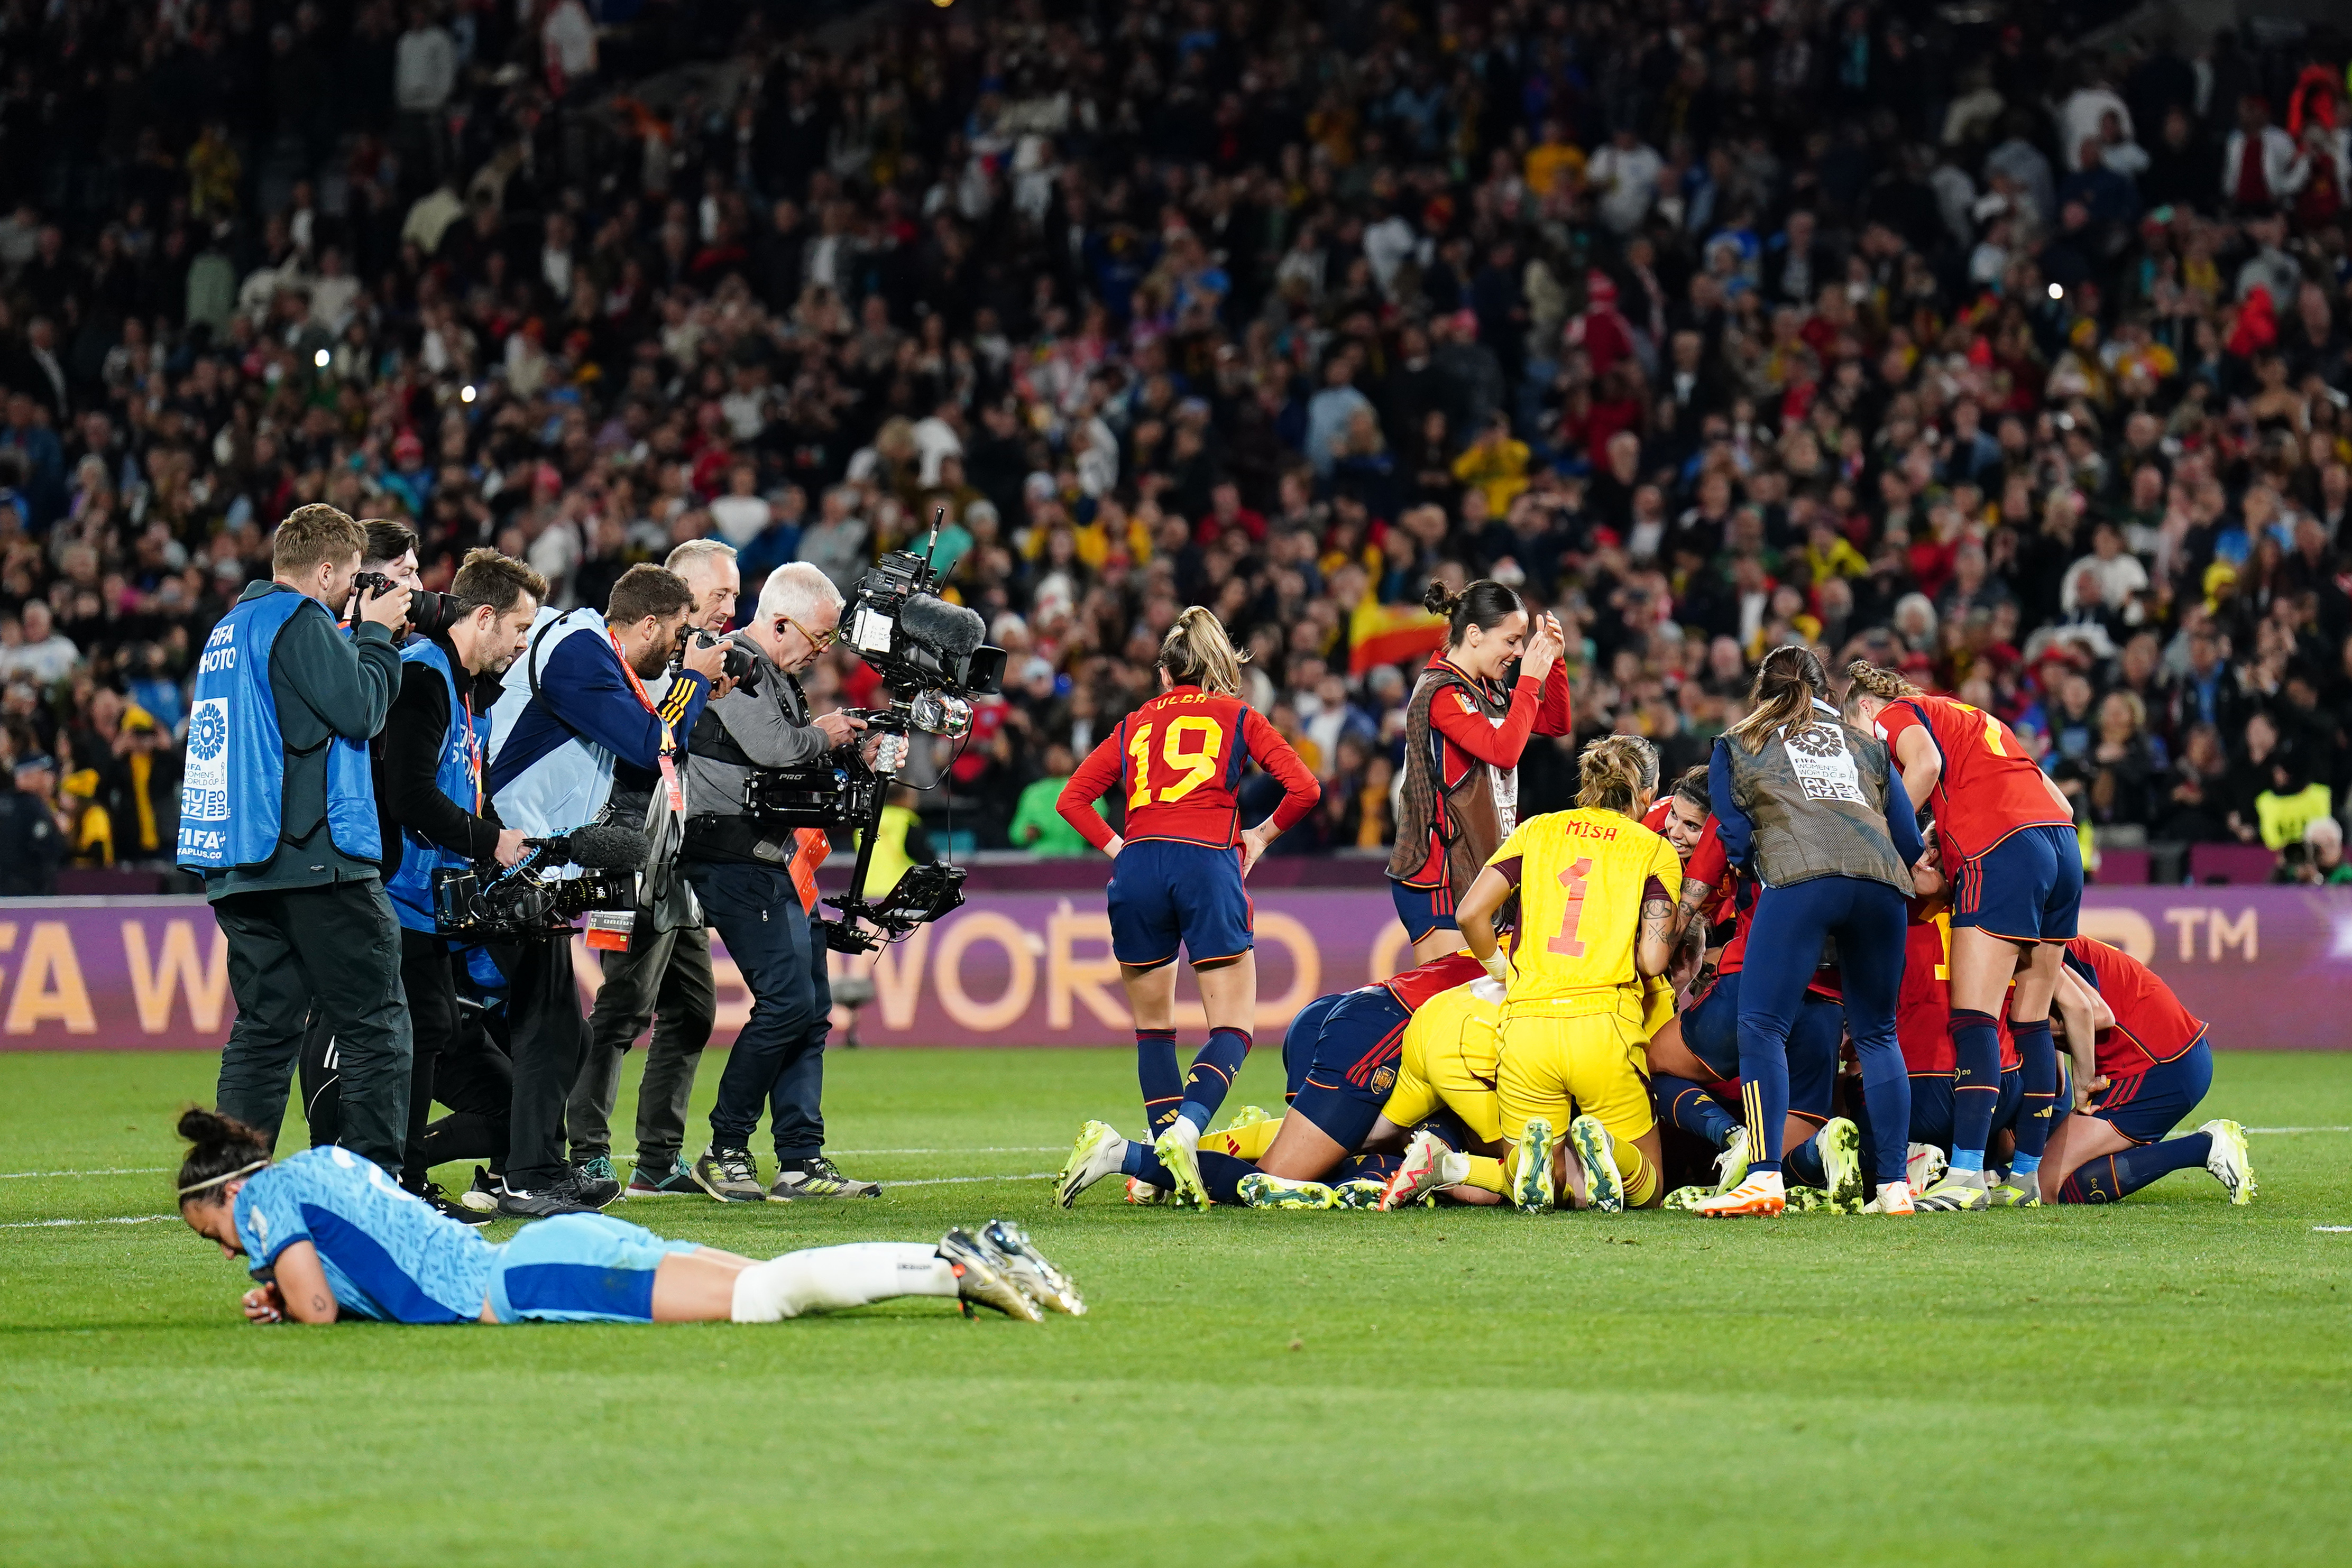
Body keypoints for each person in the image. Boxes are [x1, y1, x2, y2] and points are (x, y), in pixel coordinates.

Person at [171, 1107, 1080, 1326]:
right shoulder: (319, 1159)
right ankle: (955, 1258)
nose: (228, 1248)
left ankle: (950, 1268)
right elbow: (358, 1261)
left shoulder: (264, 1198)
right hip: (537, 1246)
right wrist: (300, 1286)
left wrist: (288, 1295)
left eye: (210, 1231)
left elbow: (319, 1307)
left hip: (517, 1280)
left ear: (225, 1195)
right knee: (764, 1285)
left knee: (763, 1299)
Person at [1054, 606, 1320, 1209]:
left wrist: (1120, 846)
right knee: (1232, 1026)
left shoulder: (1133, 724)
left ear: (1165, 673)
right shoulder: (1238, 714)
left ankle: (1157, 1166)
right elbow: (1305, 787)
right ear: (1217, 667)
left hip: (1138, 867)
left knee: (1154, 1030)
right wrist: (1260, 835)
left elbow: (1072, 799)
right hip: (1205, 861)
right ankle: (1185, 1131)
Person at [485, 564, 731, 1214]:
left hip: (543, 860)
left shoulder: (593, 655)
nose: (682, 647)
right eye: (679, 634)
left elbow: (642, 741)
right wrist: (695, 681)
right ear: (648, 623)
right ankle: (518, 1167)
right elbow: (651, 743)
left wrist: (695, 688)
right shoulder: (579, 651)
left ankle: (512, 1165)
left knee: (547, 1027)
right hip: (510, 855)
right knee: (536, 1026)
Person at [178, 504, 414, 1180]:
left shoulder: (230, 626)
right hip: (314, 858)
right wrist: (373, 635)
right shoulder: (301, 619)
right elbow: (361, 711)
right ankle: (372, 1183)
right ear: (328, 569)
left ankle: (228, 1177)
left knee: (265, 1026)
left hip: (239, 861)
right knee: (375, 1022)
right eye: (346, 582)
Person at [1845, 660, 2082, 1211]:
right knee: (2029, 1016)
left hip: (1999, 849)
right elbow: (2063, 804)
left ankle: (1967, 1175)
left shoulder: (1896, 715)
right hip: (2061, 846)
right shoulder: (1979, 719)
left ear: (1863, 707)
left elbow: (1922, 764)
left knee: (1973, 1016)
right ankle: (2025, 1175)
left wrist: (1879, 837)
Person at [679, 561, 880, 1203]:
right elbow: (774, 748)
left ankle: (800, 1158)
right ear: (782, 621)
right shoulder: (732, 662)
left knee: (812, 1011)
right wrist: (823, 735)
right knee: (788, 1004)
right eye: (818, 639)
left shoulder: (773, 675)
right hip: (730, 855)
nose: (821, 654)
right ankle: (725, 1146)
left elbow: (787, 767)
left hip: (772, 858)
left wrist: (847, 752)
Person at [1700, 648, 1922, 1219]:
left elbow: (1733, 838)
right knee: (1877, 1034)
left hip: (1799, 878)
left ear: (1760, 692)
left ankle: (1763, 1175)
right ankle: (1894, 1186)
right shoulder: (1867, 743)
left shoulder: (1736, 743)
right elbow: (1910, 840)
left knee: (1760, 1026)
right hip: (1880, 886)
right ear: (1825, 691)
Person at [378, 549, 546, 1219]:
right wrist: (489, 842)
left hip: (426, 900)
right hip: (398, 895)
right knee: (418, 1035)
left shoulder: (456, 683)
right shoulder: (423, 676)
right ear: (483, 617)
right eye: (517, 628)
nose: (521, 642)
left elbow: (457, 790)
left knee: (430, 1031)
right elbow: (408, 795)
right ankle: (402, 1181)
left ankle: (404, 1172)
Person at [568, 539, 738, 1200]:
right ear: (685, 594)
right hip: (632, 851)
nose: (731, 607)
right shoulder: (645, 661)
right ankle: (586, 1152)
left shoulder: (690, 661)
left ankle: (657, 1159)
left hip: (678, 855)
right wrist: (694, 684)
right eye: (720, 595)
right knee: (622, 1008)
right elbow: (650, 747)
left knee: (694, 1009)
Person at [1455, 734, 1681, 1214]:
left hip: (1527, 1028)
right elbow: (1653, 962)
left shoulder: (1536, 831)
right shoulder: (1653, 849)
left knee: (1544, 1182)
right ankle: (1609, 1150)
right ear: (1645, 794)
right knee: (1651, 1186)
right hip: (1605, 1027)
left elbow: (1471, 913)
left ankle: (1533, 1166)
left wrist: (1499, 967)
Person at [1387, 580, 1571, 965]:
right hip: (1439, 873)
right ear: (1474, 634)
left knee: (1480, 1010)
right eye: (1511, 641)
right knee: (1451, 1012)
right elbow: (1503, 752)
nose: (1519, 652)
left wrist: (1553, 664)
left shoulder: (1487, 688)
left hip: (1477, 866)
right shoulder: (1442, 692)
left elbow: (1555, 724)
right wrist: (1530, 679)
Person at [2038, 937, 2254, 1206]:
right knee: (2057, 1172)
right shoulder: (2047, 939)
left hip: (2155, 1066)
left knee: (2046, 1187)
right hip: (2171, 1058)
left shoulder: (2033, 946)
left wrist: (2021, 1026)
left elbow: (2097, 1015)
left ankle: (2204, 1147)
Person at [0, 750, 67, 894]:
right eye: (44, 773)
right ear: (26, 776)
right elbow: (51, 850)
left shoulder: (7, 801)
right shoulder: (32, 807)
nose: (51, 779)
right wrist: (60, 832)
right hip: (27, 895)